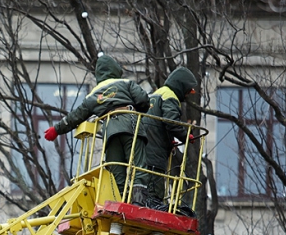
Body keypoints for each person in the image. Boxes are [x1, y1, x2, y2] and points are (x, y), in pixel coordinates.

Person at [44, 54, 149, 204]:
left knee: (116, 172)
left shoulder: (93, 96)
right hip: (130, 123)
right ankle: (138, 203)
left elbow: (75, 116)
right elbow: (143, 100)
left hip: (110, 132)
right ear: (115, 69)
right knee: (138, 165)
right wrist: (140, 112)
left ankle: (120, 205)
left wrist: (57, 129)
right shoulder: (125, 83)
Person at [141, 67, 198, 209]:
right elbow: (170, 121)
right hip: (155, 155)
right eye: (187, 91)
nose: (187, 95)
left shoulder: (156, 94)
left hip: (143, 150)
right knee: (154, 194)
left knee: (142, 188)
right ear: (181, 85)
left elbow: (158, 124)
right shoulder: (170, 96)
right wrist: (186, 136)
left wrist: (169, 139)